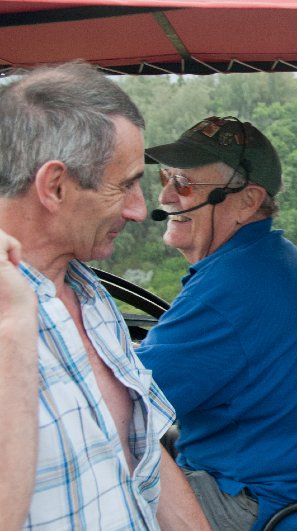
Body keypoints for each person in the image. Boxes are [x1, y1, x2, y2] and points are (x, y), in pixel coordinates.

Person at [0, 62, 209, 530]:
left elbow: (141, 455)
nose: (140, 209)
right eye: (126, 185)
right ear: (54, 186)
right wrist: (13, 328)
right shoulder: (9, 315)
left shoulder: (87, 289)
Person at [136, 116, 297, 531]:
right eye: (167, 177)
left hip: (258, 503)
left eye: (184, 183)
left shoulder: (230, 290)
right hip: (295, 489)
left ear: (247, 201)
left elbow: (125, 404)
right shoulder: (265, 260)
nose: (166, 195)